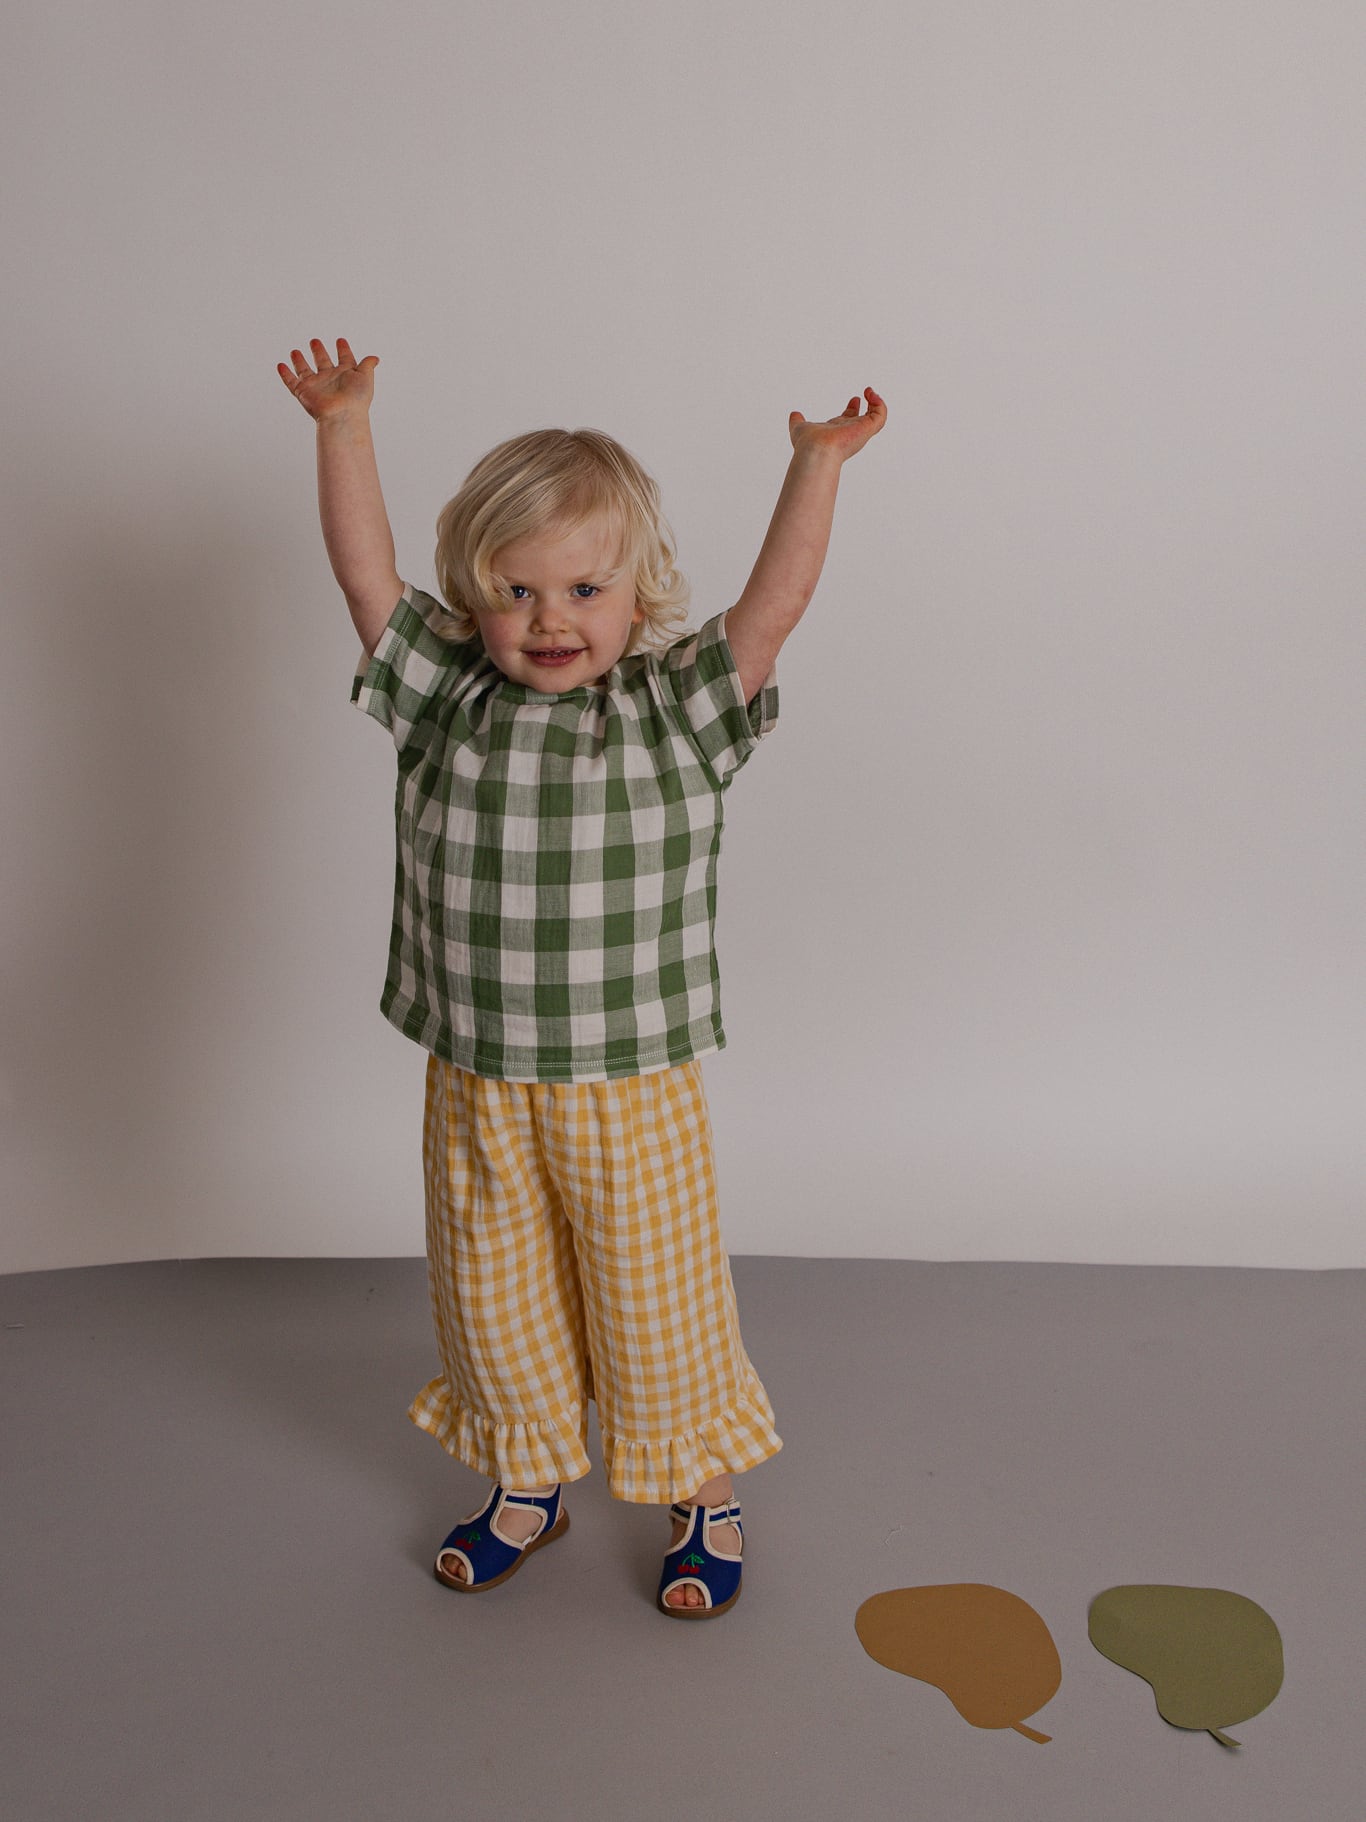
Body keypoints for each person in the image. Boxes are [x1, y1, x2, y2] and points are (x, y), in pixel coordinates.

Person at [278, 337, 886, 1617]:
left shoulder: (674, 711)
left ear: (637, 592)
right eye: (515, 590)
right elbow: (363, 576)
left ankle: (702, 1490)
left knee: (652, 1306)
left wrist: (816, 466)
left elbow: (774, 607)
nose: (550, 619)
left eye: (584, 588)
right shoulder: (444, 696)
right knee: (493, 1303)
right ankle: (529, 1480)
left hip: (627, 1083)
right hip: (478, 1078)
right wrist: (343, 427)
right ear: (473, 597)